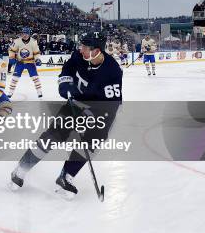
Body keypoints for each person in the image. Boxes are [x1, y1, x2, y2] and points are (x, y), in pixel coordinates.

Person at [8, 31, 122, 199]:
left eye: (85, 47)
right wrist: (65, 83)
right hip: (74, 103)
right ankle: (21, 168)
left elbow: (111, 106)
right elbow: (67, 68)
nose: (81, 49)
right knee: (52, 136)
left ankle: (66, 176)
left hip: (100, 110)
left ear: (97, 51)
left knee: (92, 142)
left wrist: (91, 116)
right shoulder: (79, 56)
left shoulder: (112, 71)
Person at [7, 27, 42, 99]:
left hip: (30, 62)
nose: (25, 35)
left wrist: (37, 59)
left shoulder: (33, 41)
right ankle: (10, 92)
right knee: (15, 78)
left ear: (29, 34)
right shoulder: (17, 41)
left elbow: (36, 52)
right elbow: (11, 50)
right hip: (20, 62)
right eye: (23, 33)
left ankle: (39, 91)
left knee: (35, 77)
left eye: (26, 33)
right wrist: (12, 58)